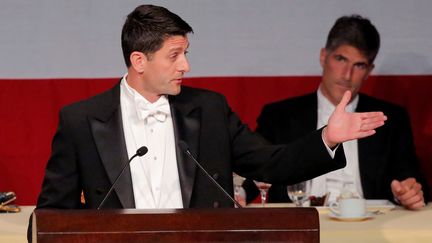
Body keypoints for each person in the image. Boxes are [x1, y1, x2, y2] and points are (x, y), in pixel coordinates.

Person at [31, 5, 387, 215]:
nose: (185, 65)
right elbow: (51, 215)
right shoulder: (81, 120)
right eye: (174, 55)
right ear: (139, 61)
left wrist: (328, 137)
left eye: (186, 53)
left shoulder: (209, 110)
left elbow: (272, 162)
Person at [243, 15, 428, 209]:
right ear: (324, 56)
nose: (347, 75)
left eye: (359, 65)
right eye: (341, 59)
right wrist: (241, 193)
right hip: (300, 228)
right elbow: (256, 172)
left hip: (368, 227)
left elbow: (410, 180)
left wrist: (407, 192)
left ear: (369, 70)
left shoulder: (389, 119)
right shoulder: (280, 116)